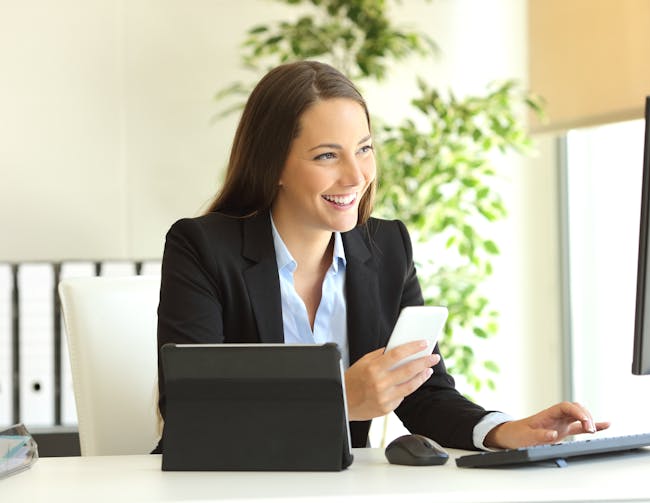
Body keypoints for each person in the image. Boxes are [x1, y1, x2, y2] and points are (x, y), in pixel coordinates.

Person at [154, 60, 609, 453]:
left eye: (365, 149)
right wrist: (338, 400)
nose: (356, 176)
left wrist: (505, 431)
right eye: (327, 156)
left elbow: (423, 393)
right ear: (274, 165)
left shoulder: (387, 248)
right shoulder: (202, 249)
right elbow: (193, 412)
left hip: (344, 487)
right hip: (228, 485)